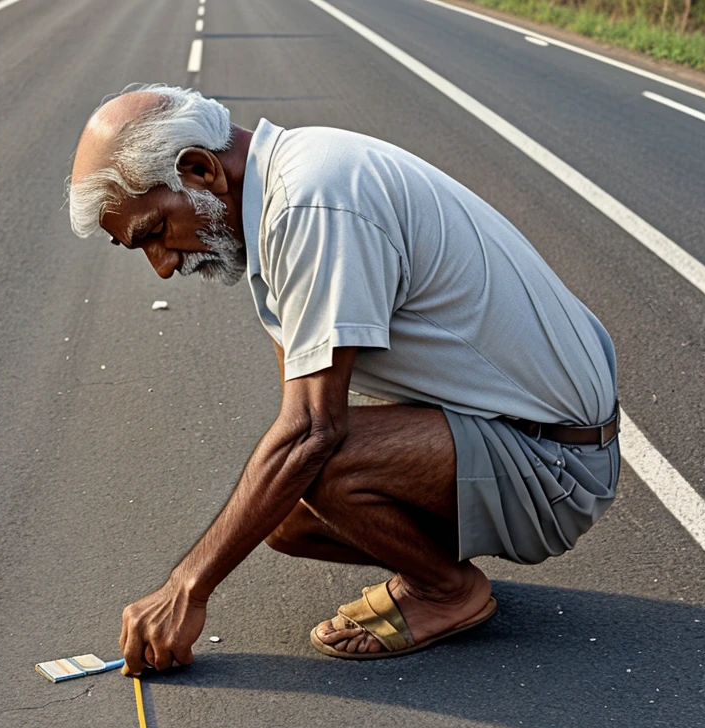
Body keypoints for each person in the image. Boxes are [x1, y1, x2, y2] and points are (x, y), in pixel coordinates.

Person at [67, 84, 619, 676]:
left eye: (154, 231)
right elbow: (297, 413)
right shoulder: (282, 188)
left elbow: (311, 431)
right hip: (529, 434)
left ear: (199, 170)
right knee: (282, 515)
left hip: (557, 464)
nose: (164, 265)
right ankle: (436, 573)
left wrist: (186, 589)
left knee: (315, 463)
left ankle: (446, 590)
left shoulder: (311, 205)